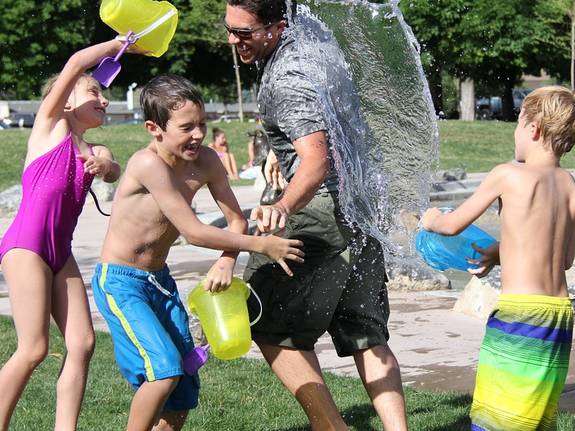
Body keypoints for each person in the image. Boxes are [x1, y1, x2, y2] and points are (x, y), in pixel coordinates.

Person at [225, 2, 408, 430]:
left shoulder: (287, 79)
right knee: (365, 332)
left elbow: (316, 160)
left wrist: (283, 204)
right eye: (230, 30)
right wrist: (278, 148)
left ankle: (332, 427)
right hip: (361, 207)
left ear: (277, 26)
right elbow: (328, 122)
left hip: (317, 209)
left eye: (245, 32)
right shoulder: (315, 42)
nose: (234, 40)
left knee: (270, 326)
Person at [91, 74, 304, 431]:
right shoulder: (147, 165)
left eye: (202, 124)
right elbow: (192, 232)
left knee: (184, 383)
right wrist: (261, 244)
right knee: (163, 370)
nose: (199, 134)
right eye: (187, 127)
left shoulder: (206, 161)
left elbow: (237, 219)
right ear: (153, 128)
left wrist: (227, 260)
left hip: (159, 282)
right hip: (121, 282)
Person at [421, 86, 575, 431]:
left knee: (497, 418)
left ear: (534, 129)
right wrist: (500, 252)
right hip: (558, 316)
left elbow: (453, 225)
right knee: (535, 417)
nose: (515, 131)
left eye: (517, 122)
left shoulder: (508, 174)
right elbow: (564, 259)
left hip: (521, 314)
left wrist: (431, 219)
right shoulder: (568, 184)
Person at [0, 40, 126, 430]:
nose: (103, 101)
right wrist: (119, 44)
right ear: (66, 102)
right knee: (34, 348)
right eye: (95, 93)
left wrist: (103, 166)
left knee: (83, 344)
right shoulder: (49, 127)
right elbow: (74, 63)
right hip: (27, 247)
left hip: (60, 253)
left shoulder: (94, 148)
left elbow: (112, 166)